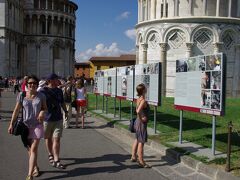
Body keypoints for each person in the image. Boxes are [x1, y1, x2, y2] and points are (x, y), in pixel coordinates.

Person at [8, 75, 47, 180]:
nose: (32, 85)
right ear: (27, 84)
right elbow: (16, 110)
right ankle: (35, 167)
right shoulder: (22, 95)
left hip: (37, 125)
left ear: (37, 84)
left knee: (34, 148)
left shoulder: (41, 96)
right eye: (30, 83)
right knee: (30, 150)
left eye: (34, 83)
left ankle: (29, 175)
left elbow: (45, 108)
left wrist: (42, 113)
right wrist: (11, 123)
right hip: (25, 126)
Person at [40, 73, 68, 169]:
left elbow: (62, 102)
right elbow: (39, 104)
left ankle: (56, 159)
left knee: (56, 139)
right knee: (47, 138)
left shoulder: (59, 91)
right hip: (47, 119)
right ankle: (50, 154)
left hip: (58, 118)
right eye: (56, 79)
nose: (58, 81)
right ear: (50, 80)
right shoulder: (43, 91)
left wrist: (66, 111)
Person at [131, 83, 151, 168]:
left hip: (137, 122)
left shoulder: (138, 99)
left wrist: (139, 117)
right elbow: (138, 111)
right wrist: (142, 118)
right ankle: (141, 161)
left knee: (137, 139)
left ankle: (133, 156)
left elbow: (137, 109)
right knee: (141, 142)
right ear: (143, 90)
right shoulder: (143, 100)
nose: (146, 89)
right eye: (145, 88)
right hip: (141, 123)